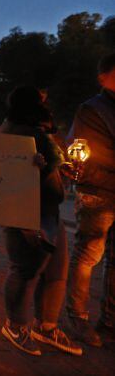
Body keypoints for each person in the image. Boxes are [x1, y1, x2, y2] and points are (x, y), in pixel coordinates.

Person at [0, 86, 82, 356]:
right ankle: (15, 325)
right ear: (30, 106)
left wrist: (59, 168)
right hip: (28, 212)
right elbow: (13, 177)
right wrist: (23, 220)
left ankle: (46, 327)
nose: (48, 106)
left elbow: (47, 168)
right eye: (42, 102)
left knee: (56, 270)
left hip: (49, 210)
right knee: (25, 269)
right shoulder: (18, 134)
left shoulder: (39, 133)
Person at [65, 52, 115, 347]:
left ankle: (109, 320)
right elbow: (93, 149)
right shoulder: (92, 109)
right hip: (97, 191)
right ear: (103, 77)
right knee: (88, 256)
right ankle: (78, 318)